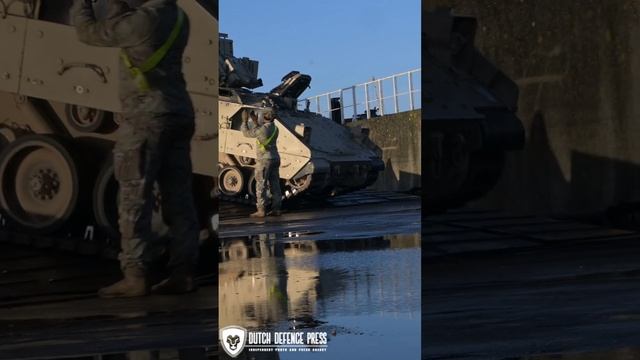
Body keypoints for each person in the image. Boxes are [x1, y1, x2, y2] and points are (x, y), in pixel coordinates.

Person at [72, 0, 200, 297]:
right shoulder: (179, 17)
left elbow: (87, 32)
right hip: (178, 113)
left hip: (145, 117)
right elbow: (132, 30)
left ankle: (135, 275)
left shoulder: (143, 22)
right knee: (179, 199)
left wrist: (83, 4)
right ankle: (183, 273)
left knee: (134, 199)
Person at [241, 109, 282, 217]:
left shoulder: (262, 130)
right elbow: (261, 130)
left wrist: (244, 121)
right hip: (275, 158)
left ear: (265, 117)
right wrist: (255, 121)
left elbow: (246, 133)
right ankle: (276, 209)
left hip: (264, 160)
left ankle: (261, 210)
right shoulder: (275, 128)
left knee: (260, 185)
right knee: (275, 185)